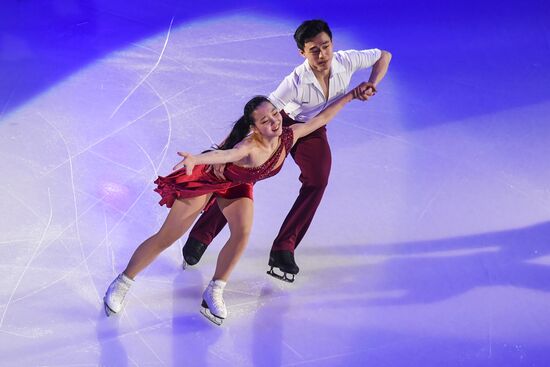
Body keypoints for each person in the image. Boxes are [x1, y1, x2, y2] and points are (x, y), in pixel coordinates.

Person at [103, 82, 368, 325]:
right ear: (254, 127)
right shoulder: (249, 145)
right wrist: (196, 158)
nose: (274, 122)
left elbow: (321, 118)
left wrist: (351, 95)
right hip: (207, 178)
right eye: (265, 121)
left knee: (241, 233)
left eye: (275, 114)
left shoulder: (289, 136)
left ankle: (214, 290)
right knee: (166, 238)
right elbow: (228, 153)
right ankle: (123, 282)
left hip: (237, 183)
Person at [181, 19, 392, 282]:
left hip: (313, 127)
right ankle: (202, 234)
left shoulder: (346, 60)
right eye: (314, 50)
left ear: (332, 44)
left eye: (326, 46)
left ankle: (284, 248)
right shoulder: (294, 82)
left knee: (318, 179)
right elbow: (262, 114)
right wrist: (226, 149)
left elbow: (384, 55)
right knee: (247, 174)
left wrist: (372, 83)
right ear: (302, 53)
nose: (322, 54)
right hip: (282, 123)